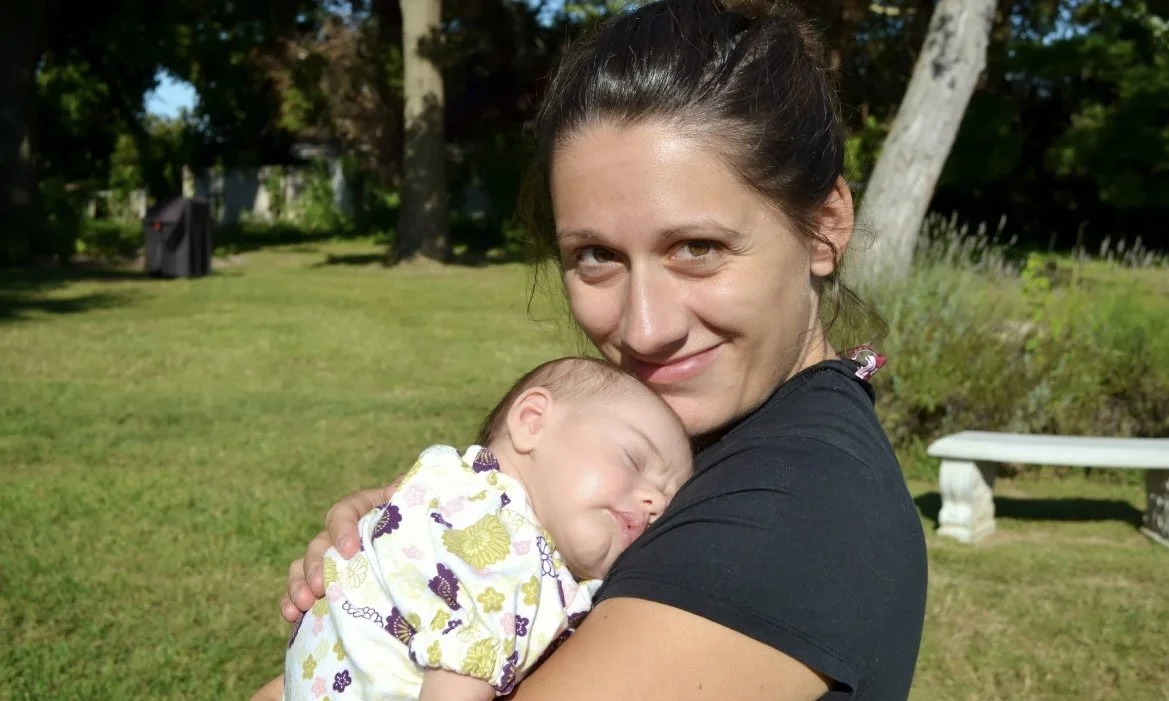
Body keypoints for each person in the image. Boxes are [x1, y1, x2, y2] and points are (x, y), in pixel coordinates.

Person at [275, 0, 929, 698]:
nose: (643, 328)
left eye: (697, 248)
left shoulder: (796, 509)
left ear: (825, 229)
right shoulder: (697, 447)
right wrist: (402, 559)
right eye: (595, 256)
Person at [259, 357, 692, 701]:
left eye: (668, 502)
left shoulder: (447, 477)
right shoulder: (512, 555)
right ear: (531, 420)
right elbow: (461, 677)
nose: (655, 503)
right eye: (634, 460)